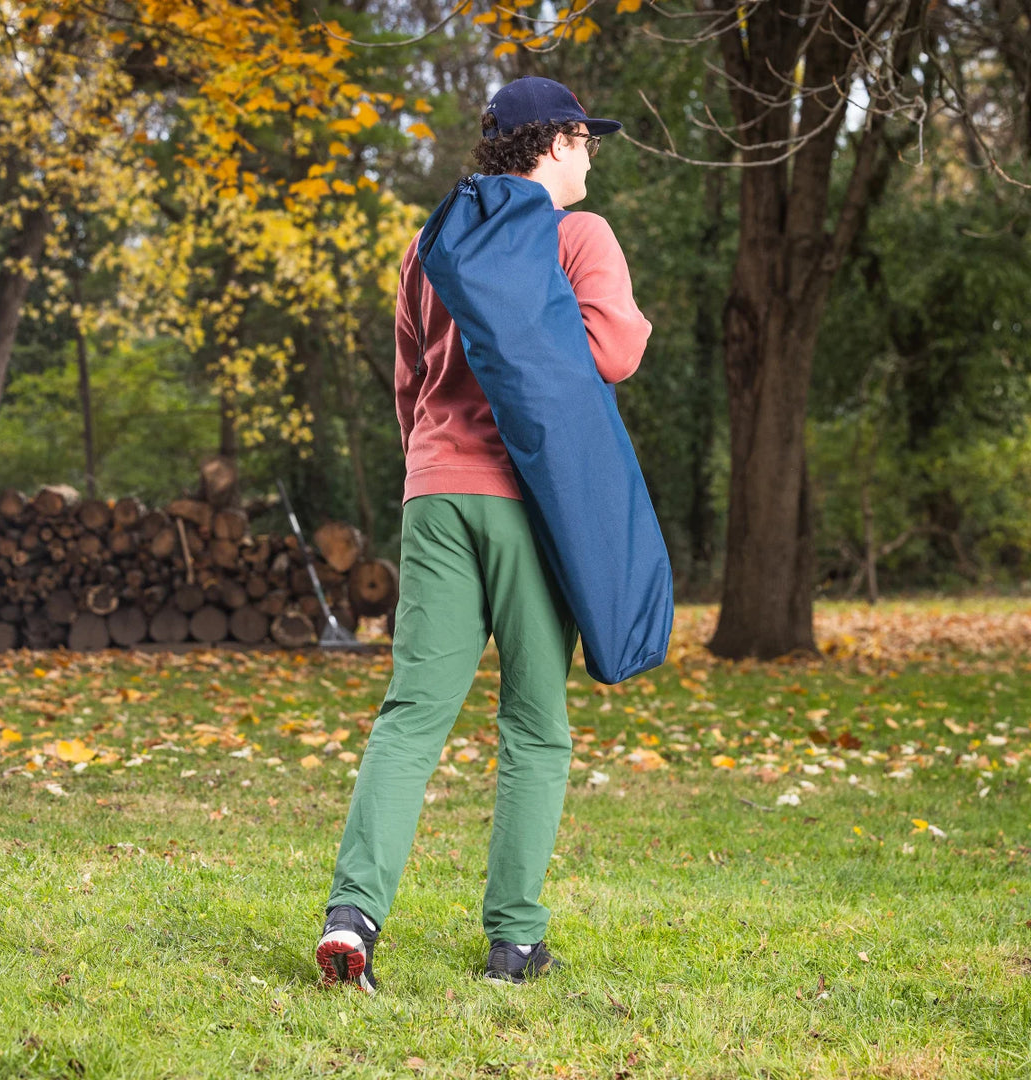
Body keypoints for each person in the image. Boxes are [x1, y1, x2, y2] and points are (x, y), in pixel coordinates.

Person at [315, 76, 651, 993]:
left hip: (434, 492)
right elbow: (614, 353)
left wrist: (433, 467)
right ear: (556, 142)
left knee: (413, 713)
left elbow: (406, 382)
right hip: (529, 500)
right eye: (587, 140)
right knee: (535, 727)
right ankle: (515, 944)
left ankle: (352, 917)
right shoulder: (578, 236)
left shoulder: (431, 242)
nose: (593, 157)